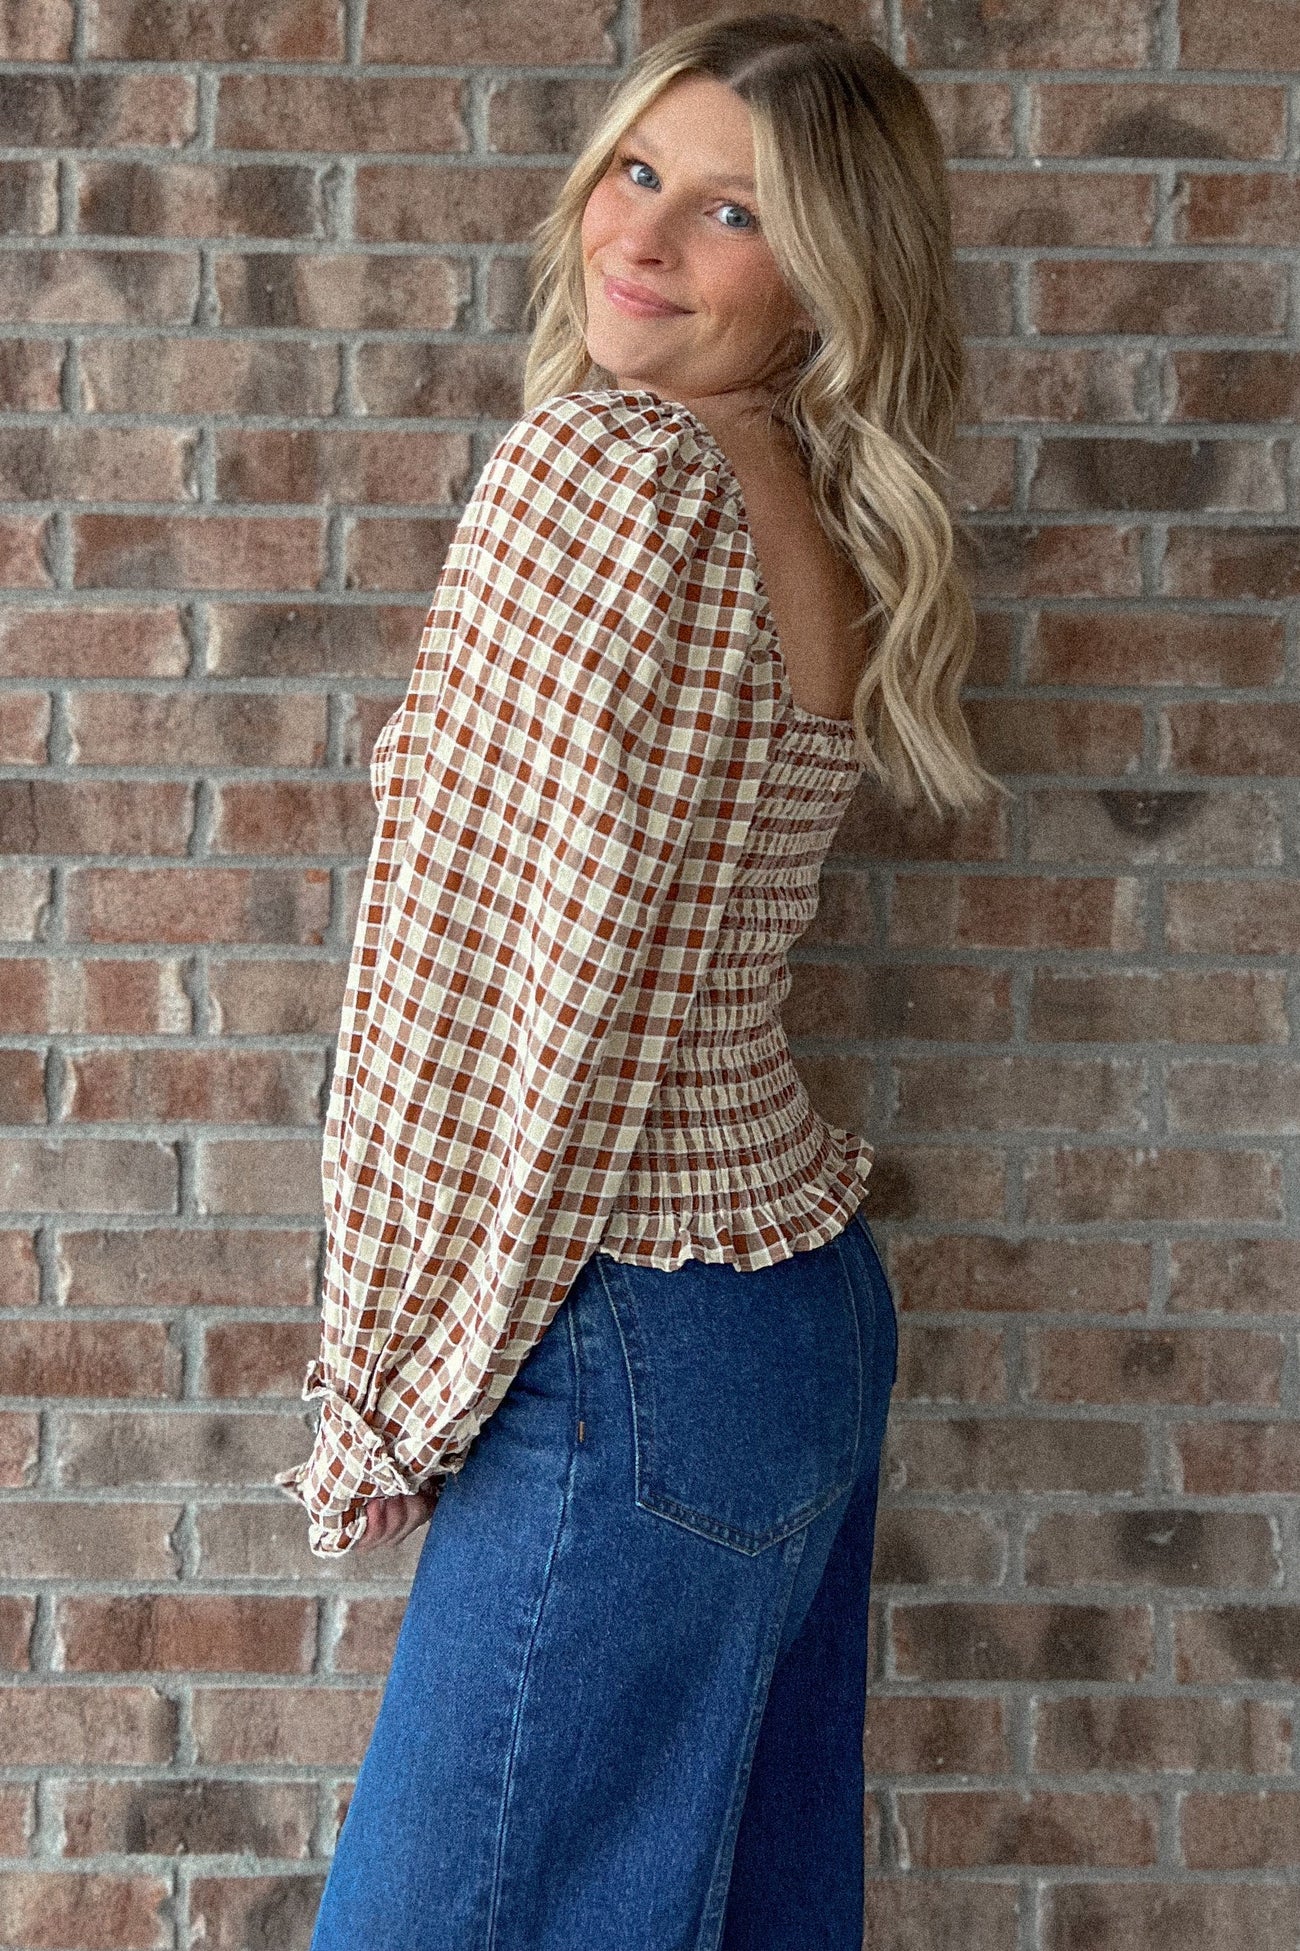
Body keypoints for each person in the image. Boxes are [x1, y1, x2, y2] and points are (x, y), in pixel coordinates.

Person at [275, 12, 994, 1947]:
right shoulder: (803, 503)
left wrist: (395, 1382)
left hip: (620, 1326)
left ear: (829, 274)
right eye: (638, 169)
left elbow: (490, 992)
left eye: (734, 210)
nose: (647, 234)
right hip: (793, 1319)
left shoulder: (600, 471)